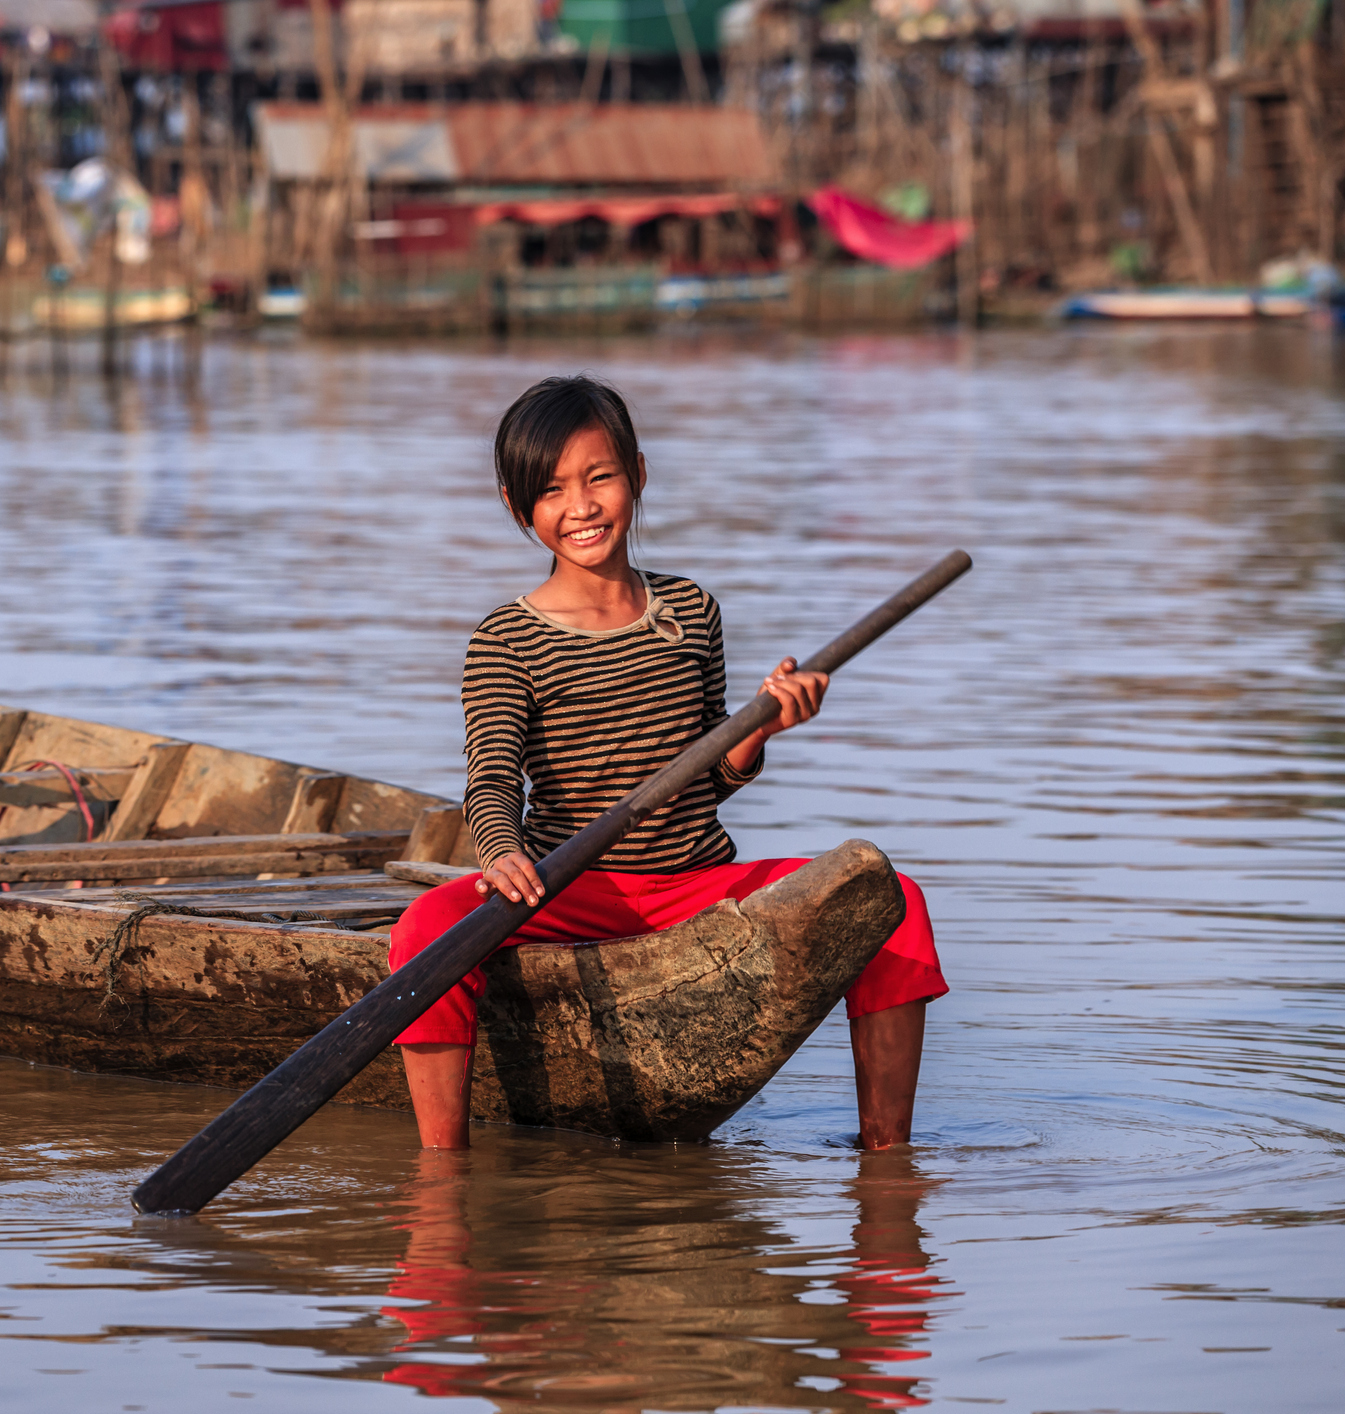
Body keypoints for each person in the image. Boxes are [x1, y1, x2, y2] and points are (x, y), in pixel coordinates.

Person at [388, 374, 946, 1151]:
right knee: (423, 927)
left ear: (637, 475)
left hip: (691, 880)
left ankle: (886, 1160)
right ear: (520, 510)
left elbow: (706, 771)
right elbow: (489, 777)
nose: (580, 506)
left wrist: (760, 729)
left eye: (599, 477)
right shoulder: (504, 640)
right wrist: (502, 851)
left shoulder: (689, 610)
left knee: (892, 900)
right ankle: (441, 1167)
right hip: (568, 889)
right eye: (551, 490)